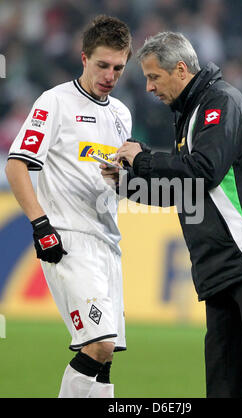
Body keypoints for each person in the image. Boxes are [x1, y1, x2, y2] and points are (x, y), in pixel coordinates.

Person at [102, 32, 242, 398]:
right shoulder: (191, 115)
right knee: (225, 384)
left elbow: (203, 169)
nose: (147, 87)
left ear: (180, 69)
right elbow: (186, 191)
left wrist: (142, 158)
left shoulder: (220, 102)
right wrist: (126, 183)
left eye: (153, 77)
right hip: (221, 266)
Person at [5, 15, 132, 398]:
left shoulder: (121, 114)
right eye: (102, 65)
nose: (109, 75)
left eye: (118, 68)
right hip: (68, 238)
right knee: (99, 345)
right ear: (83, 58)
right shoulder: (55, 102)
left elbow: (115, 183)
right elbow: (16, 165)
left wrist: (125, 180)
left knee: (106, 361)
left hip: (108, 242)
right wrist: (41, 225)